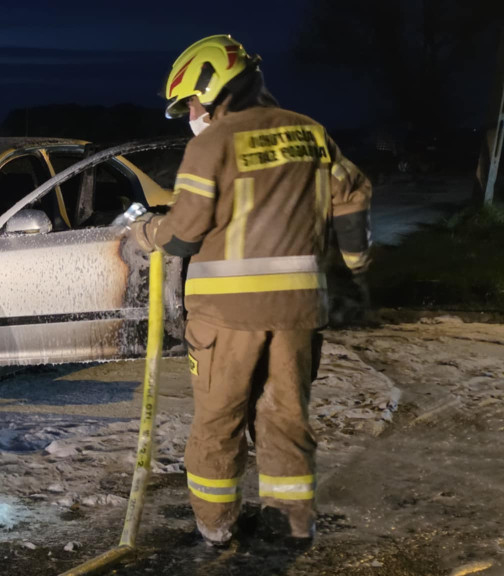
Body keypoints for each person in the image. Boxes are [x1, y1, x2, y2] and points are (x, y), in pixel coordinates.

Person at [129, 34, 372, 547]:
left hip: (226, 318)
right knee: (285, 419)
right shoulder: (311, 132)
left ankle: (216, 527)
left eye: (190, 103)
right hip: (299, 313)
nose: (190, 114)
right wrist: (356, 264)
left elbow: (184, 234)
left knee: (219, 423)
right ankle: (291, 524)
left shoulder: (213, 143)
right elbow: (352, 195)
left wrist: (145, 233)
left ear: (212, 87)